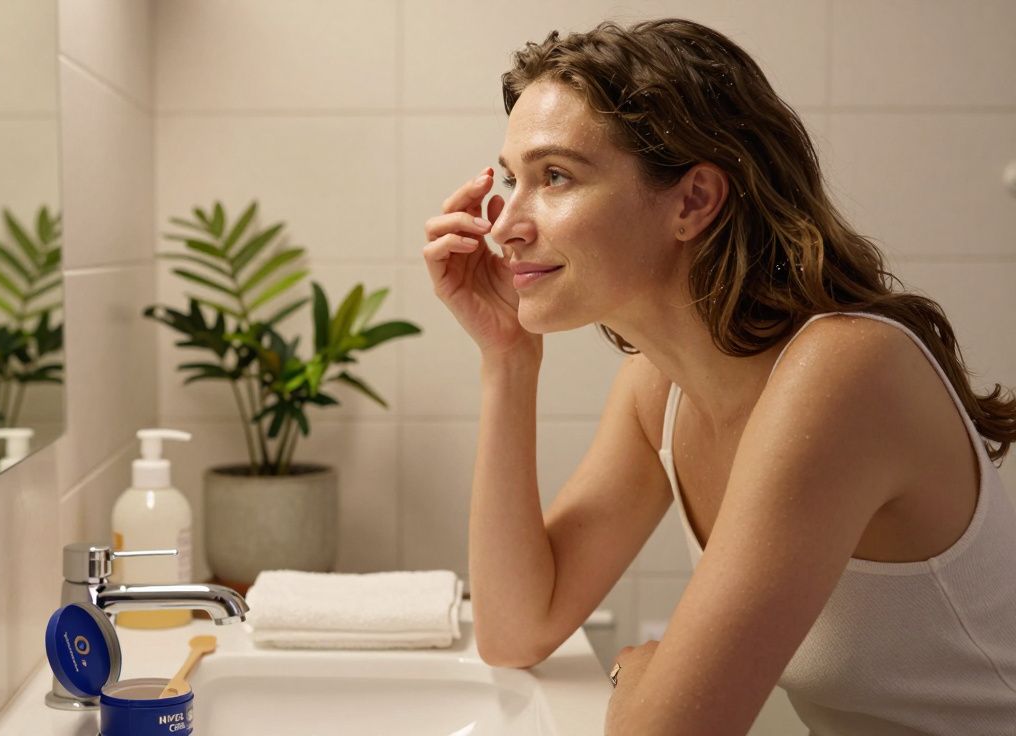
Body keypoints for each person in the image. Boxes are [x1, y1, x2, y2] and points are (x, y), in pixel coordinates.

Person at [421, 17, 1016, 736]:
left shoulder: (846, 370)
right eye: (511, 179)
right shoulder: (658, 391)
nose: (505, 225)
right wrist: (507, 360)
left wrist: (639, 681)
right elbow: (516, 629)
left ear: (694, 200)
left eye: (555, 177)